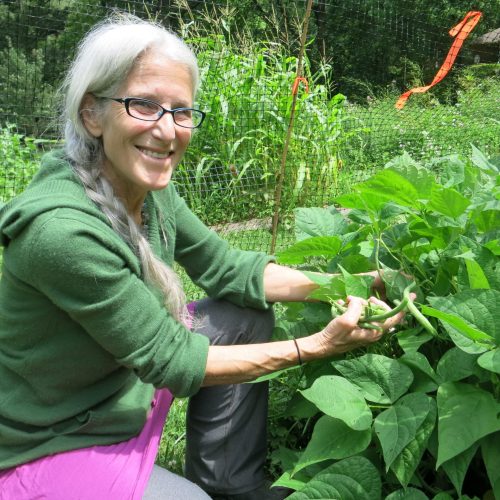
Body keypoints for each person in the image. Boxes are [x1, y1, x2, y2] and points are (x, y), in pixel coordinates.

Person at [0, 13, 408, 500]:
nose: (168, 130)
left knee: (242, 313)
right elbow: (170, 360)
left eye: (182, 111)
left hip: (119, 385)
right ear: (92, 113)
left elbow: (229, 269)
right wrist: (317, 346)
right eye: (143, 105)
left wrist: (361, 281)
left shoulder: (145, 186)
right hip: (55, 431)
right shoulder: (61, 233)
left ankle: (234, 486)